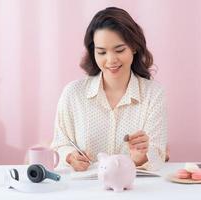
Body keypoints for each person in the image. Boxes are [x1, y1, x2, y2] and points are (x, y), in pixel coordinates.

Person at [50, 7, 167, 171]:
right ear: (93, 52)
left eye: (119, 50)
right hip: (83, 190)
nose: (111, 60)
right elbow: (60, 143)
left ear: (134, 47)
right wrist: (70, 157)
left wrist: (141, 158)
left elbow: (158, 152)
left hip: (131, 190)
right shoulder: (73, 93)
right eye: (102, 52)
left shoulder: (153, 94)